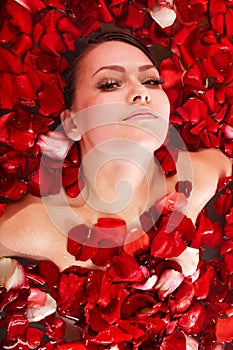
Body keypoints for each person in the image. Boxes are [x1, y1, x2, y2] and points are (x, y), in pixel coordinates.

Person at [0, 32, 232, 271]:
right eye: (110, 84)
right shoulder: (35, 227)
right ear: (72, 123)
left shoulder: (205, 175)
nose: (141, 93)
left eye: (151, 81)